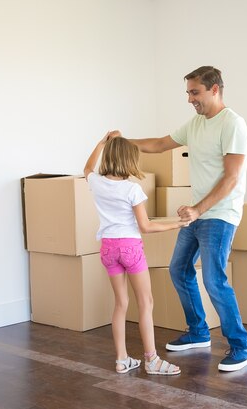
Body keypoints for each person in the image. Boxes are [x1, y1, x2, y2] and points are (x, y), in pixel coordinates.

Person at [127, 66, 247, 372]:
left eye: (194, 92)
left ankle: (241, 346)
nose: (190, 99)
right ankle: (198, 332)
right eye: (188, 92)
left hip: (220, 214)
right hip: (197, 213)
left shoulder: (233, 124)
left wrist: (199, 209)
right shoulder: (195, 124)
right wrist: (123, 142)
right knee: (179, 270)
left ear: (214, 89)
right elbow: (159, 144)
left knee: (213, 279)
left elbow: (231, 179)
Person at [84, 131, 187, 376]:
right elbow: (146, 226)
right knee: (146, 302)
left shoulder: (96, 182)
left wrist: (101, 142)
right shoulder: (132, 190)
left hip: (108, 249)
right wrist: (177, 224)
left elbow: (87, 167)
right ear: (129, 160)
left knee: (121, 303)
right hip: (130, 248)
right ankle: (151, 360)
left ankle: (122, 359)